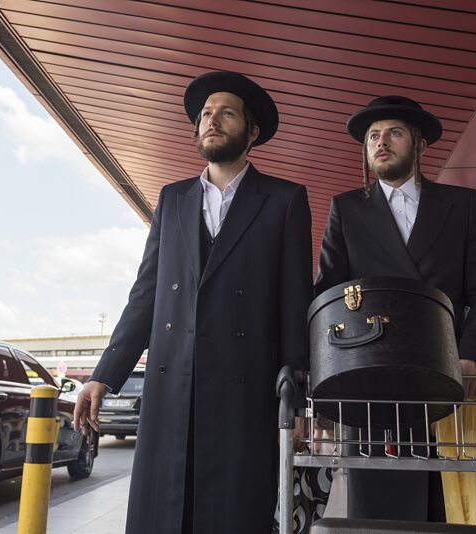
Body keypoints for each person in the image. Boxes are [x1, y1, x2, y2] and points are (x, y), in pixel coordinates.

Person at [72, 71, 312, 534]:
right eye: (205, 114)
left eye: (225, 113)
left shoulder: (284, 201)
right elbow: (145, 295)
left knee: (233, 517)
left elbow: (294, 305)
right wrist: (104, 375)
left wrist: (298, 400)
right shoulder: (172, 199)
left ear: (252, 131)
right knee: (163, 516)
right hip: (171, 390)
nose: (211, 120)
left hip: (244, 395)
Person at [313, 95, 476, 521]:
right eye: (373, 137)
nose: (381, 143)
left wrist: (473, 354)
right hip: (371, 389)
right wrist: (325, 382)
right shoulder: (345, 209)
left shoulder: (460, 205)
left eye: (394, 133)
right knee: (381, 518)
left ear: (419, 144)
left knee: (448, 512)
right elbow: (327, 294)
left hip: (450, 385)